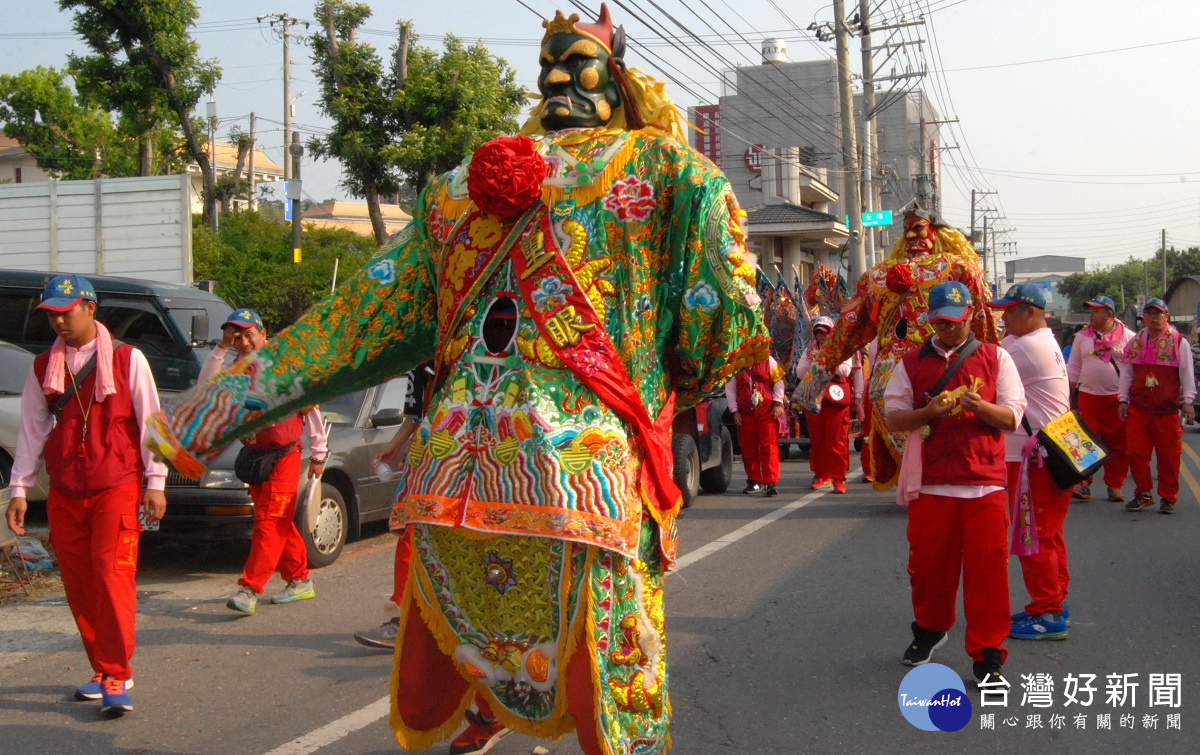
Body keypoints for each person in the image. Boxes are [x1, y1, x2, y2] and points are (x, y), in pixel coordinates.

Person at [144, 5, 766, 753]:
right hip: (584, 483)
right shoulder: (671, 173)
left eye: (573, 63)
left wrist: (200, 416)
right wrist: (663, 388)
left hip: (453, 484)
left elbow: (350, 326)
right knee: (616, 684)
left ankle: (486, 715)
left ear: (614, 74)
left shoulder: (455, 192)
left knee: (496, 644)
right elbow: (726, 319)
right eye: (552, 67)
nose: (559, 77)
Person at [4, 274, 167, 716]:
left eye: (66, 311)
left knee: (111, 576)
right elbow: (33, 430)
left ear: (89, 308)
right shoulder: (43, 366)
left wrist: (156, 481)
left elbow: (153, 422)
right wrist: (19, 488)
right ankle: (102, 667)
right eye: (51, 314)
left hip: (115, 484)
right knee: (79, 583)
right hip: (65, 489)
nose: (58, 321)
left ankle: (116, 671)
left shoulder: (128, 359)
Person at [796, 204, 999, 490]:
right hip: (929, 374)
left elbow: (846, 332)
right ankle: (931, 484)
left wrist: (808, 387)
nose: (913, 236)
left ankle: (925, 483)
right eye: (907, 231)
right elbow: (845, 331)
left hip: (895, 380)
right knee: (935, 437)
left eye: (918, 228)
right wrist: (994, 378)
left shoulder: (882, 277)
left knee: (924, 437)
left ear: (935, 232)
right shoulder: (953, 269)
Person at [884, 281, 1024, 690]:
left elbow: (1013, 415)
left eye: (954, 323)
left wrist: (981, 407)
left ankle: (987, 656)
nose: (947, 330)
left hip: (984, 485)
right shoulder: (911, 362)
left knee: (988, 577)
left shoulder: (996, 358)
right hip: (931, 484)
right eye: (940, 323)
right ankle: (929, 630)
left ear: (970, 318)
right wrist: (928, 411)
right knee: (927, 571)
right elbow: (894, 418)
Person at [199, 309, 329, 616]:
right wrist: (221, 347)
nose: (243, 342)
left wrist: (320, 453)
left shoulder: (285, 366)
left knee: (269, 522)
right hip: (256, 457)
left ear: (263, 334)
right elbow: (206, 385)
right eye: (237, 336)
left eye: (248, 334)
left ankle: (249, 589)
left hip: (286, 454)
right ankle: (299, 580)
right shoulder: (234, 368)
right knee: (277, 521)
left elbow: (309, 410)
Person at [988, 282, 1074, 641]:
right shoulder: (1043, 340)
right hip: (1056, 449)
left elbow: (983, 375)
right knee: (1048, 533)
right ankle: (1054, 600)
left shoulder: (1022, 347)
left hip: (1036, 456)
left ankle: (1047, 611)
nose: (1003, 316)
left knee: (1032, 534)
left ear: (1030, 312)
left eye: (1009, 310)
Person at [355, 363, 434, 649]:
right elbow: (415, 415)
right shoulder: (419, 367)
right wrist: (396, 445)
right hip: (428, 458)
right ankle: (402, 617)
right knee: (409, 535)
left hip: (478, 460)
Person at [1118, 298, 1196, 514]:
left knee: (1169, 457)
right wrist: (1123, 399)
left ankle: (1168, 497)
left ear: (1166, 316)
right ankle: (1143, 493)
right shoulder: (1135, 342)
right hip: (1139, 409)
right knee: (1134, 452)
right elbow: (1127, 373)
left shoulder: (1178, 341)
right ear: (1143, 318)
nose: (1154, 317)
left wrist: (1188, 401)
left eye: (1158, 313)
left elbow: (1186, 373)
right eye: (1149, 313)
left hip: (1166, 411)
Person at [1066, 295, 1132, 502]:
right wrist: (1069, 397)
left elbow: (1134, 369)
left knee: (1117, 444)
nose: (1091, 315)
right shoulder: (1082, 337)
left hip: (1116, 400)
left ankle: (1115, 485)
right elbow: (1074, 367)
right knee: (1085, 442)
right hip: (1088, 397)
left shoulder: (1129, 337)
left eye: (1096, 311)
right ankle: (1083, 482)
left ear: (1109, 314)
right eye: (1091, 311)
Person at [794, 317, 861, 493]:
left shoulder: (841, 347)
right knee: (818, 440)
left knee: (836, 439)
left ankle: (838, 478)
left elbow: (845, 371)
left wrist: (826, 359)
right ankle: (822, 475)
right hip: (814, 397)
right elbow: (800, 372)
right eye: (818, 333)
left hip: (835, 398)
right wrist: (812, 360)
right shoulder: (809, 349)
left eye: (825, 333)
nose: (821, 337)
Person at [725, 355, 786, 496]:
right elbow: (730, 389)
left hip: (767, 412)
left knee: (769, 446)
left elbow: (778, 382)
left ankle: (770, 482)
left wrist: (777, 403)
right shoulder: (736, 363)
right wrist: (734, 411)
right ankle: (754, 480)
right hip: (745, 413)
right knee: (748, 447)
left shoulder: (769, 360)